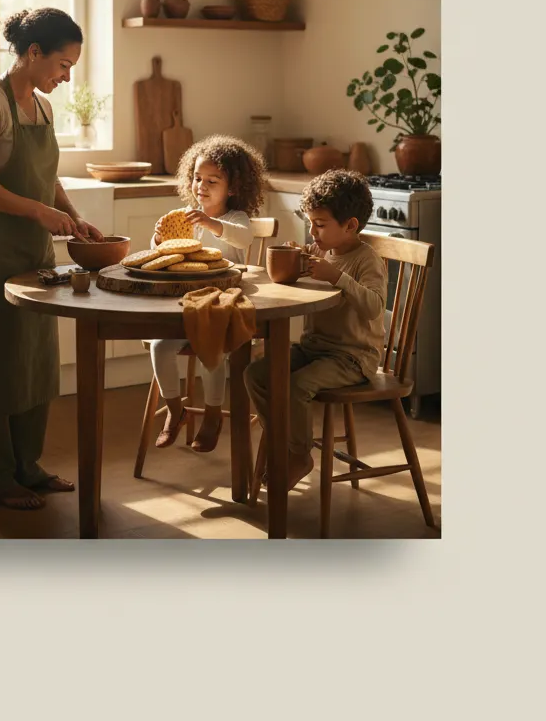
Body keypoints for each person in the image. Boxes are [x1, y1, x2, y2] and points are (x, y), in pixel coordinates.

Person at [0, 7, 104, 510]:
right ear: (34, 53)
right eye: (63, 64)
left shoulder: (42, 107)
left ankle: (26, 468)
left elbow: (48, 177)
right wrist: (40, 212)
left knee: (33, 361)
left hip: (33, 250)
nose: (66, 76)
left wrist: (73, 217)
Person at [243, 169, 387, 490]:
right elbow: (311, 269)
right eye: (310, 223)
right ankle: (286, 437)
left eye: (320, 225)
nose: (313, 231)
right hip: (314, 349)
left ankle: (299, 454)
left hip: (352, 357)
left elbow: (374, 306)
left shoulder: (366, 260)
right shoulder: (322, 251)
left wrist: (336, 276)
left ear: (350, 225)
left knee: (296, 386)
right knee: (255, 375)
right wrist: (298, 255)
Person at [149, 135, 267, 453]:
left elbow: (243, 238)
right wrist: (158, 241)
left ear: (233, 188)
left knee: (209, 349)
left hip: (224, 308)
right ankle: (176, 412)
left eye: (213, 180)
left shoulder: (234, 220)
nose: (202, 185)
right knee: (159, 348)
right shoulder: (186, 218)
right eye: (198, 178)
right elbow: (166, 256)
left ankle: (213, 415)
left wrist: (211, 223)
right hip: (186, 304)